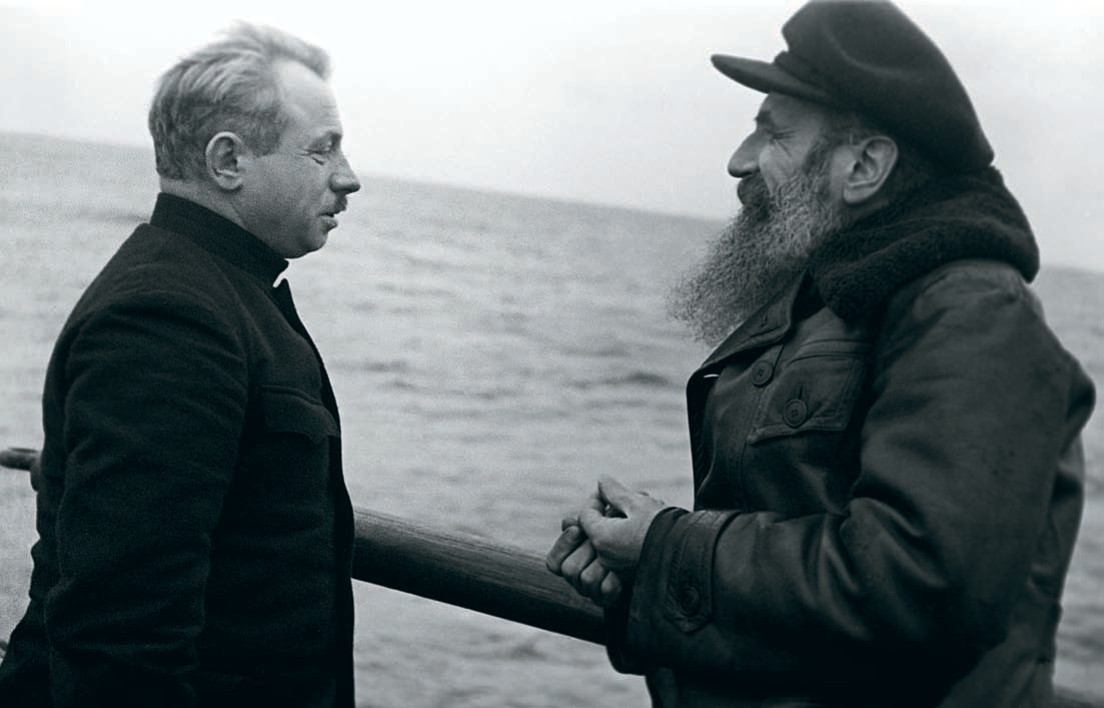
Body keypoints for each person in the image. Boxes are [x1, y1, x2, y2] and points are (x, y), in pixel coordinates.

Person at [546, 2, 1095, 706]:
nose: (738, 160)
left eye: (772, 132)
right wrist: (643, 569)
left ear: (864, 166)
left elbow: (921, 586)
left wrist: (669, 548)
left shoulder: (972, 311)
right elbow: (803, 559)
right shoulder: (835, 297)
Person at [0, 23, 361, 708]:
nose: (349, 176)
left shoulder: (216, 290)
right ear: (228, 161)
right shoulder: (169, 317)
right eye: (323, 149)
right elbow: (120, 638)